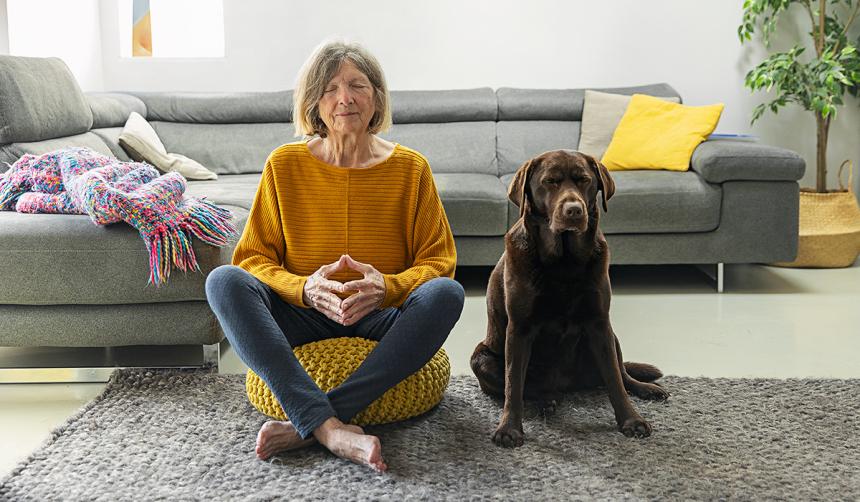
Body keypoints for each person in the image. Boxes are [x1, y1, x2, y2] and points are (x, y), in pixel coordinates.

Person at [205, 40, 464, 473]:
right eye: (330, 88)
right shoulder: (284, 164)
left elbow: (439, 262)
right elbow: (252, 258)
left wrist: (387, 287)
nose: (345, 98)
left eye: (357, 85)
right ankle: (330, 429)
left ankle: (308, 422)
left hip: (381, 316)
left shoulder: (411, 168)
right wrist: (304, 288)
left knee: (447, 293)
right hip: (301, 313)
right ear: (314, 103)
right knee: (223, 281)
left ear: (376, 98)